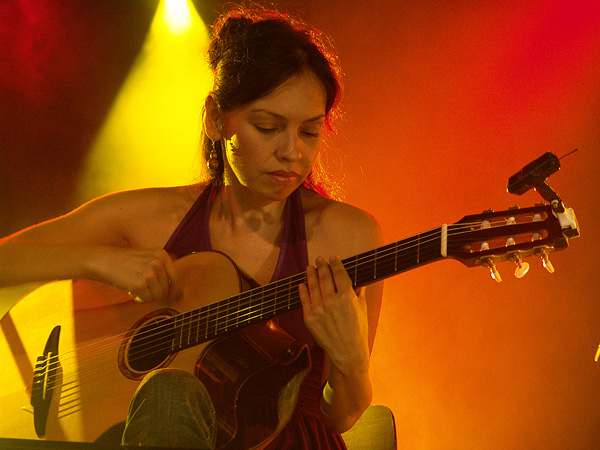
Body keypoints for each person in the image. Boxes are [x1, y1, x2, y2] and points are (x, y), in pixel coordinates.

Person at [0, 4, 383, 449]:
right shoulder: (154, 218)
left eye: (310, 132)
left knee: (170, 390)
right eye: (268, 126)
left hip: (287, 441)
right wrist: (102, 261)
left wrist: (352, 364)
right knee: (168, 392)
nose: (291, 152)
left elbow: (343, 416)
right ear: (217, 119)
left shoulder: (347, 236)